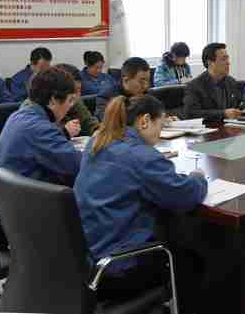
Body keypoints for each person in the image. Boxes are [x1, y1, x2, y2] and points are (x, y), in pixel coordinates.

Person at [74, 95, 207, 307]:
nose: (159, 134)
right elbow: (185, 196)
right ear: (145, 121)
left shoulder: (97, 141)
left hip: (84, 260)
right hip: (116, 268)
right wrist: (198, 177)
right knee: (193, 258)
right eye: (160, 126)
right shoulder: (141, 156)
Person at [0, 67, 82, 247]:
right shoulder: (40, 129)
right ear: (53, 100)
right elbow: (78, 167)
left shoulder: (19, 116)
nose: (71, 106)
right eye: (69, 100)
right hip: (12, 225)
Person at [23, 64, 99, 138]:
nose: (75, 96)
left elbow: (90, 123)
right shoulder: (32, 106)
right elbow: (40, 137)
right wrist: (64, 132)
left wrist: (97, 131)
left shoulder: (75, 101)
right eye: (72, 91)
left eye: (79, 89)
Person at [183, 43, 244, 121]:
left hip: (232, 126)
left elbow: (240, 103)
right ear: (210, 63)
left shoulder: (231, 82)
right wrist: (223, 113)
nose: (228, 62)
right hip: (209, 127)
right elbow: (191, 114)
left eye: (227, 59)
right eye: (223, 59)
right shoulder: (194, 86)